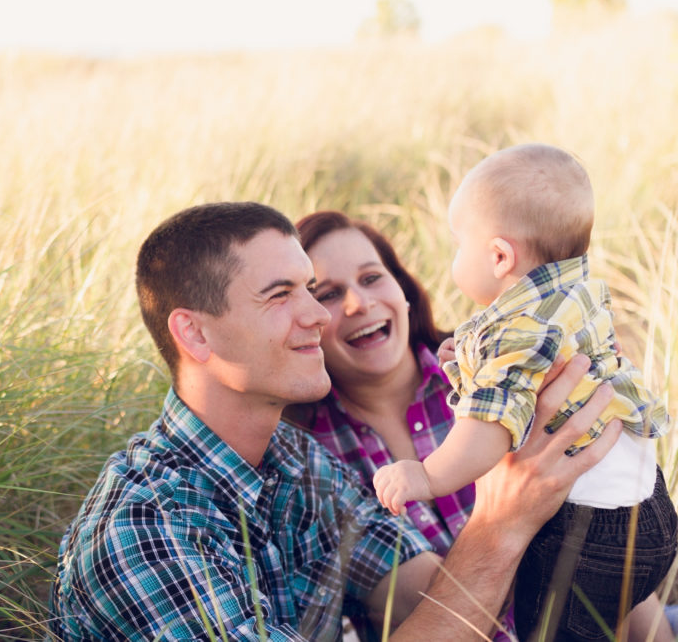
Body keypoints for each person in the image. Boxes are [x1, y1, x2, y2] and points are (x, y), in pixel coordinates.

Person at [46, 200, 621, 641]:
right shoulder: (144, 530)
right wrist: (500, 522)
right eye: (280, 296)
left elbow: (433, 599)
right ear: (195, 334)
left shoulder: (302, 467)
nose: (319, 316)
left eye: (307, 289)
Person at [372, 144, 678, 641]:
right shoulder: (574, 296)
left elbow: (489, 429)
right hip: (653, 512)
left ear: (498, 256)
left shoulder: (517, 331)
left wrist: (426, 475)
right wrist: (471, 367)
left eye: (458, 245)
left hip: (589, 533)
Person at [282, 209, 516, 641]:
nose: (359, 304)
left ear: (403, 290)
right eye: (329, 295)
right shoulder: (305, 455)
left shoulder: (493, 374)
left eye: (372, 278)